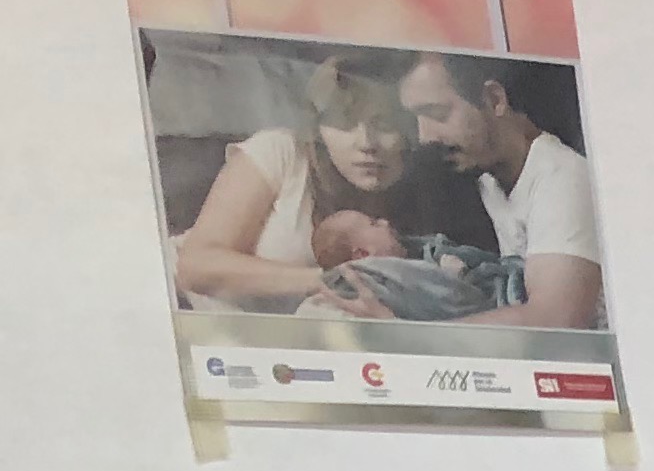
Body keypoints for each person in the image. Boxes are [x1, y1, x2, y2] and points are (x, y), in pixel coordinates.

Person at [359, 50, 604, 330]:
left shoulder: (562, 179)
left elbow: (555, 321)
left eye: (438, 114)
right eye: (416, 119)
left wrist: (405, 334)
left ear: (494, 100)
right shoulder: (489, 180)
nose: (425, 136)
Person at [168, 55, 422, 311]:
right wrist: (329, 280)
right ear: (318, 128)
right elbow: (195, 267)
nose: (366, 143)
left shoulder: (418, 199)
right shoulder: (281, 151)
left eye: (385, 124)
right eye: (344, 122)